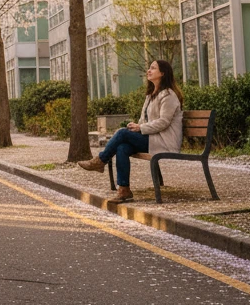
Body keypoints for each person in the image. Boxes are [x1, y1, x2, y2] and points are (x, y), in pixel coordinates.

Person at [78, 59, 183, 203]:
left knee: (121, 133)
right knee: (122, 147)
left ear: (163, 73)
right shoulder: (151, 95)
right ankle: (124, 190)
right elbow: (145, 120)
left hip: (164, 142)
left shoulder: (168, 95)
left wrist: (141, 128)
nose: (149, 70)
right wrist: (137, 126)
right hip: (152, 138)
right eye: (149, 68)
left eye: (153, 68)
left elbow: (164, 122)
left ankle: (101, 161)